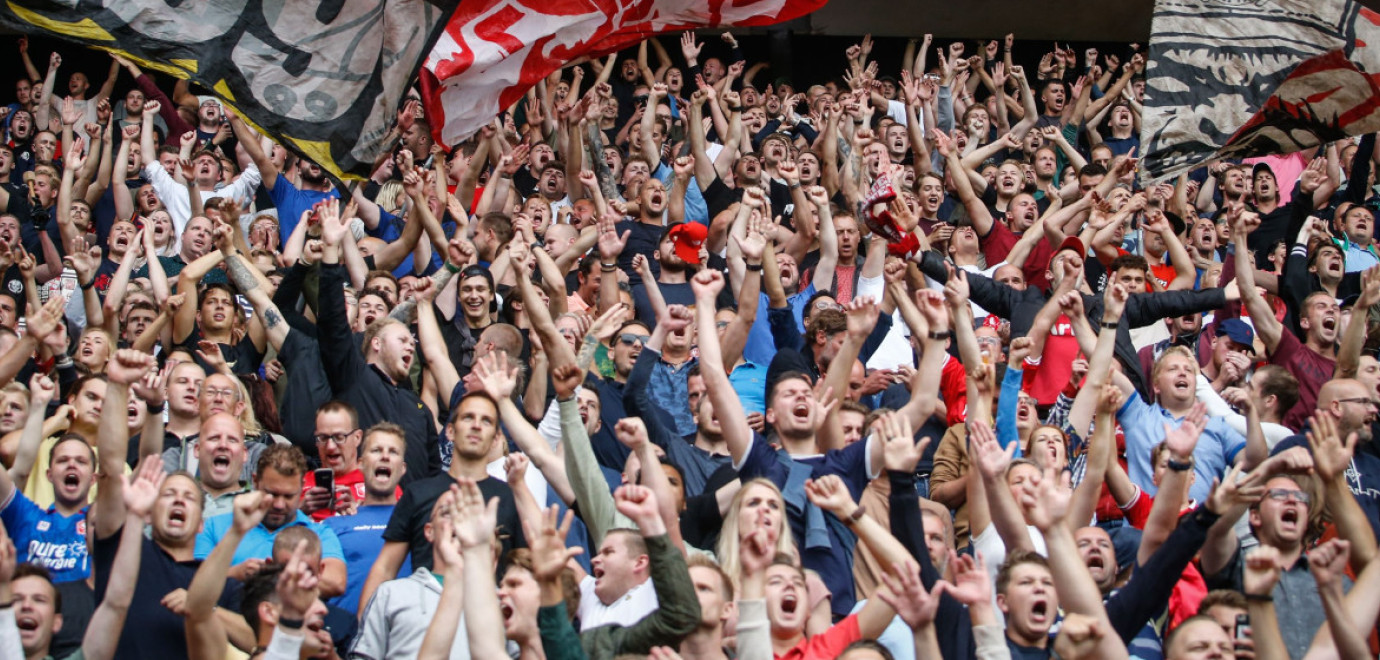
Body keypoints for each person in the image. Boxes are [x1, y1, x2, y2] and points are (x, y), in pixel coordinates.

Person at [193, 444, 348, 598]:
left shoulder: (319, 533)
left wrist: (270, 577)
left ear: (302, 487)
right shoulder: (215, 526)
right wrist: (236, 574)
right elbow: (192, 581)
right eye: (272, 494)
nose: (279, 505)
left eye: (288, 496)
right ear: (255, 482)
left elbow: (335, 582)